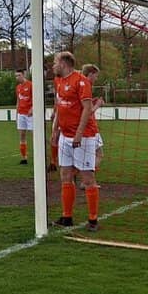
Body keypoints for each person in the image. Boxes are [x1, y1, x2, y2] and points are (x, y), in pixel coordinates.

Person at [51, 51, 99, 231]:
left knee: (87, 178)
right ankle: (66, 217)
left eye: (55, 62)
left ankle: (93, 219)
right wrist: (55, 130)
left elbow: (87, 109)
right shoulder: (58, 81)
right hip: (65, 135)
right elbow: (59, 106)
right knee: (65, 175)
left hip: (84, 136)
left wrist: (79, 133)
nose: (53, 65)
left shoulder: (81, 81)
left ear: (63, 63)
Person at [82, 63, 106, 171]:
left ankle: (84, 179)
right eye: (96, 75)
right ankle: (87, 180)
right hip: (90, 128)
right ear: (90, 74)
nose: (96, 78)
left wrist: (93, 101)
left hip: (85, 127)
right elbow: (88, 111)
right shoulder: (86, 86)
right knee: (99, 154)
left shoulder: (82, 85)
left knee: (88, 156)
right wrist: (97, 104)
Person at [14, 69, 33, 165]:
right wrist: (16, 114)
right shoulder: (18, 87)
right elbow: (18, 100)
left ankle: (39, 155)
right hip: (21, 113)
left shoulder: (31, 85)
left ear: (24, 75)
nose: (17, 77)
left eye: (19, 75)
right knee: (22, 135)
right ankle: (24, 158)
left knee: (34, 135)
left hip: (30, 114)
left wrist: (32, 109)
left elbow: (35, 98)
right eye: (16, 76)